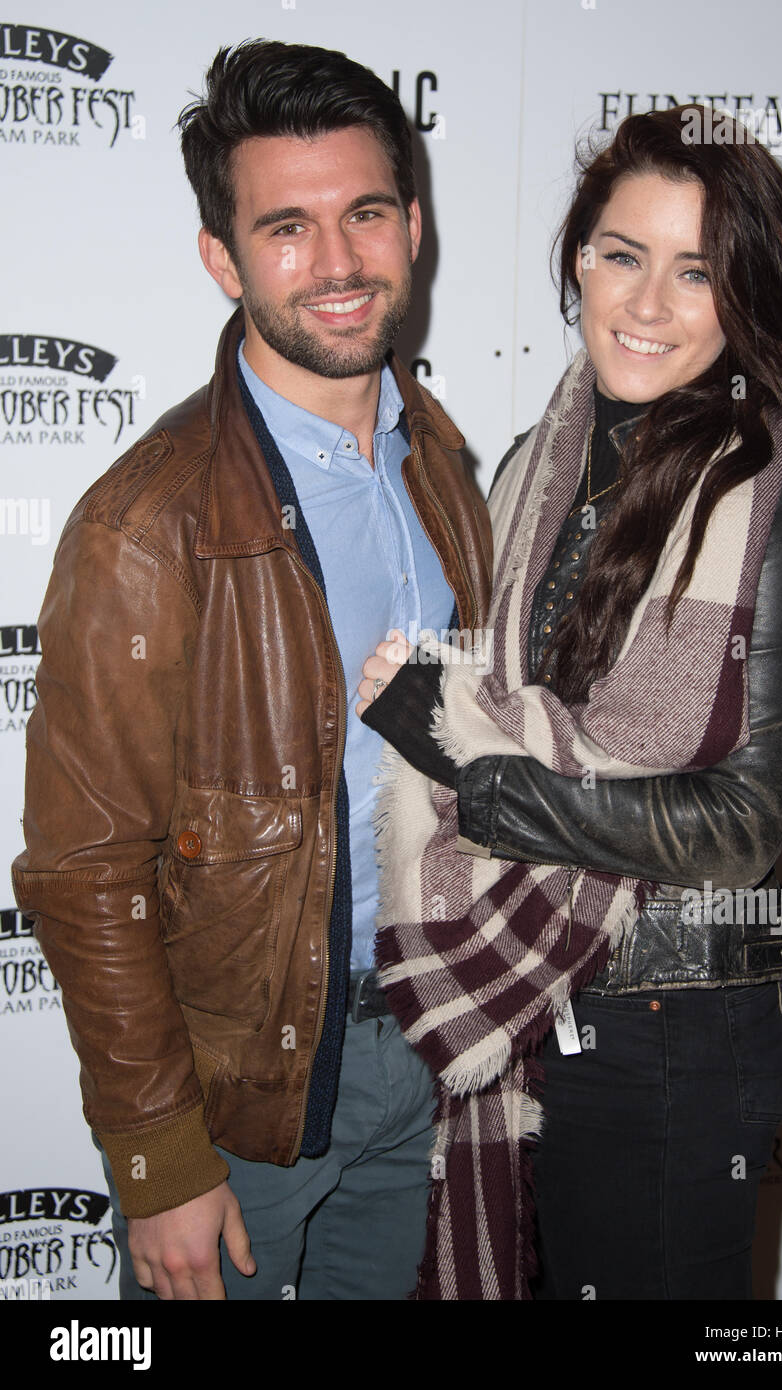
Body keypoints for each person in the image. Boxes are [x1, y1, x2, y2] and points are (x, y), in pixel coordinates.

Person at [12, 40, 491, 1301]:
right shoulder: (145, 525)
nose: (336, 265)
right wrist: (158, 1158)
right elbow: (82, 865)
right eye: (286, 228)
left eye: (364, 214)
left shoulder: (439, 458)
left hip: (421, 1053)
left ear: (413, 226)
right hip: (232, 1098)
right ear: (223, 259)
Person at [357, 105, 782, 1299]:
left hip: (672, 1036)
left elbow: (739, 830)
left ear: (746, 300)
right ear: (578, 256)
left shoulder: (781, 510)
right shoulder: (533, 464)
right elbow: (491, 693)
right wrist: (433, 718)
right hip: (522, 1000)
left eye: (698, 273)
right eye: (623, 255)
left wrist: (483, 785)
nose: (647, 304)